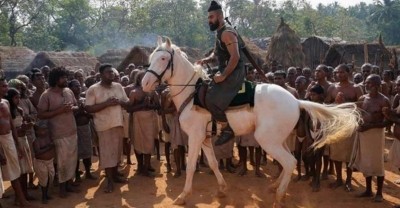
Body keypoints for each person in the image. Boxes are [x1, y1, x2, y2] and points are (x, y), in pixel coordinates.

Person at [196, 0, 246, 146]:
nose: (209, 21)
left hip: (234, 71)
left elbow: (235, 57)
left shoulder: (227, 34)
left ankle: (227, 128)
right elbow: (216, 55)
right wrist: (205, 60)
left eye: (211, 17)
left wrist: (223, 75)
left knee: (211, 99)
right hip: (225, 68)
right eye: (208, 18)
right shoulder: (219, 33)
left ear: (219, 16)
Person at [85, 64, 130, 193]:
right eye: (108, 72)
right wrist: (106, 104)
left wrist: (119, 102)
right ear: (101, 74)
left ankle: (115, 176)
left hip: (118, 124)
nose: (111, 74)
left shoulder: (118, 86)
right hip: (104, 126)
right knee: (106, 154)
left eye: (112, 72)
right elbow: (88, 108)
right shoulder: (93, 89)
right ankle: (109, 181)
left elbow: (127, 102)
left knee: (116, 152)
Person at [37, 67, 79, 197]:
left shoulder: (68, 91)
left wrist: (72, 108)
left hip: (72, 131)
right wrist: (59, 111)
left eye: (66, 77)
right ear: (56, 79)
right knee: (61, 161)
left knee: (72, 160)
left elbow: (76, 106)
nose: (66, 80)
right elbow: (41, 114)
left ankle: (68, 184)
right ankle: (62, 188)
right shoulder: (46, 95)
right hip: (58, 133)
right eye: (63, 77)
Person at [350, 74, 390, 202]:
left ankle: (379, 193)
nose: (366, 85)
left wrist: (371, 126)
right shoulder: (363, 98)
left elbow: (388, 122)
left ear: (378, 86)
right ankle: (368, 190)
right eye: (366, 83)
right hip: (363, 134)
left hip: (376, 135)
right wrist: (359, 124)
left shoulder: (384, 100)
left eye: (370, 83)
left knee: (377, 164)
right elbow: (358, 115)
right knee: (366, 163)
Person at [325, 64, 363, 191]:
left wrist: (346, 102)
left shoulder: (356, 88)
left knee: (349, 154)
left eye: (342, 72)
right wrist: (335, 102)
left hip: (351, 123)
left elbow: (363, 104)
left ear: (348, 73)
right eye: (337, 72)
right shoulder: (332, 88)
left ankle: (348, 180)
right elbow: (326, 104)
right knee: (336, 153)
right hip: (337, 123)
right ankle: (339, 179)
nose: (339, 75)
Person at [0, 78, 34, 208]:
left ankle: (22, 201)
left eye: (6, 86)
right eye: (3, 86)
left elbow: (11, 125)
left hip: (9, 139)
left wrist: (17, 144)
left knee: (15, 171)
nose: (6, 89)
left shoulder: (5, 103)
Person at [129, 71, 159, 177]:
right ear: (138, 80)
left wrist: (149, 106)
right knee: (137, 143)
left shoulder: (152, 92)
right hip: (137, 120)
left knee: (149, 143)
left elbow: (158, 106)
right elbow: (129, 108)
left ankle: (146, 167)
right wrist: (142, 105)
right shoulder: (134, 92)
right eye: (142, 78)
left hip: (149, 119)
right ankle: (140, 166)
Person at [68, 80, 97, 182]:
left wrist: (85, 111)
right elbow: (70, 118)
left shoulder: (84, 100)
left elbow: (91, 115)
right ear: (70, 89)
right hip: (74, 129)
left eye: (79, 86)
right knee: (75, 153)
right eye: (75, 86)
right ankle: (77, 175)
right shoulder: (70, 103)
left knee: (87, 152)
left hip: (86, 127)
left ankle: (88, 172)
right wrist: (80, 111)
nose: (78, 88)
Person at [32, 120, 55, 204]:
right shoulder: (36, 141)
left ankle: (46, 194)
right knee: (43, 179)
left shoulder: (48, 137)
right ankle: (44, 196)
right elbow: (37, 153)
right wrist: (48, 147)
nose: (45, 131)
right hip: (40, 162)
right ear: (37, 131)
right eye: (42, 129)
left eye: (46, 129)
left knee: (50, 177)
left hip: (50, 161)